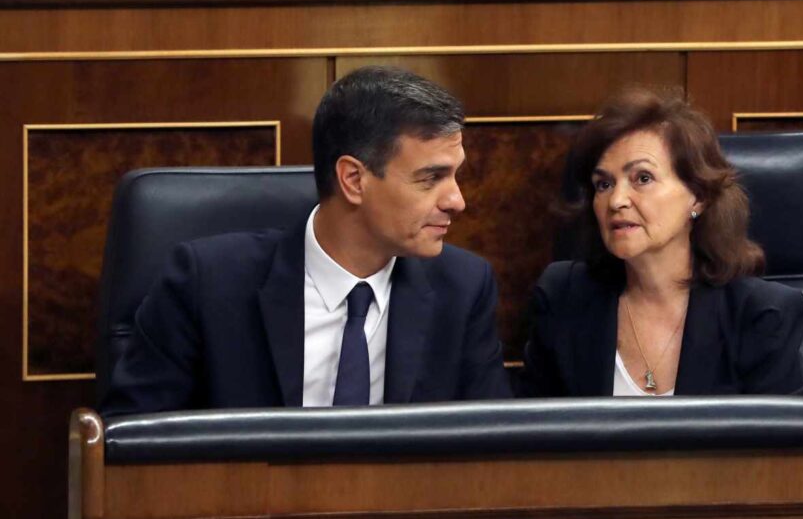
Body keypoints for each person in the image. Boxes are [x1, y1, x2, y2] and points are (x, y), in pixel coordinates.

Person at [101, 66, 511, 416]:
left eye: (456, 176)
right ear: (354, 179)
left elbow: (489, 452)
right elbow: (133, 448)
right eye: (430, 178)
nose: (457, 201)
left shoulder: (462, 288)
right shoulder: (207, 284)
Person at [520, 88, 803, 397]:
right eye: (603, 184)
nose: (616, 200)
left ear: (698, 196)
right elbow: (532, 435)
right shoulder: (564, 298)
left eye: (642, 178)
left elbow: (783, 444)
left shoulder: (760, 315)